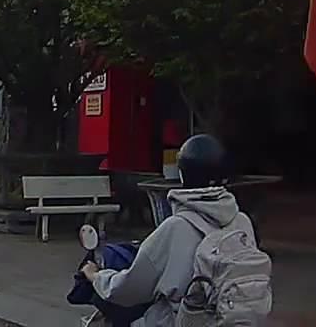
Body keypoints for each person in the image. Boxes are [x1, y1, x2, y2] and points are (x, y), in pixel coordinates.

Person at [81, 134, 262, 327]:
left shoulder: (176, 227)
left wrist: (96, 276)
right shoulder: (242, 222)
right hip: (236, 319)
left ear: (182, 174)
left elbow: (130, 289)